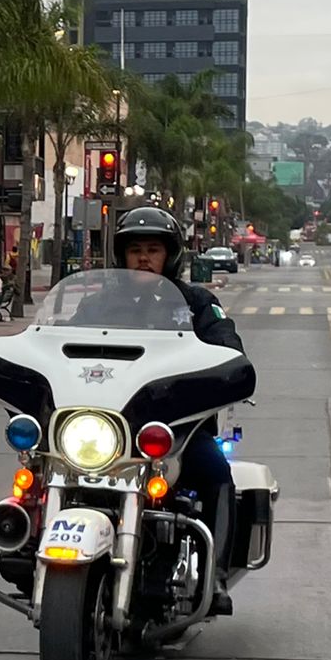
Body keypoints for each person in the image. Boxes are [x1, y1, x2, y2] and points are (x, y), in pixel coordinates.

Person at [110, 206, 246, 614]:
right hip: (112, 429)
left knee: (216, 471)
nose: (144, 258)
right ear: (122, 256)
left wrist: (226, 368)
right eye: (135, 250)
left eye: (153, 249)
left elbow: (228, 348)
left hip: (178, 433)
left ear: (171, 255)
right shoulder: (101, 304)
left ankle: (216, 573)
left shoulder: (196, 303)